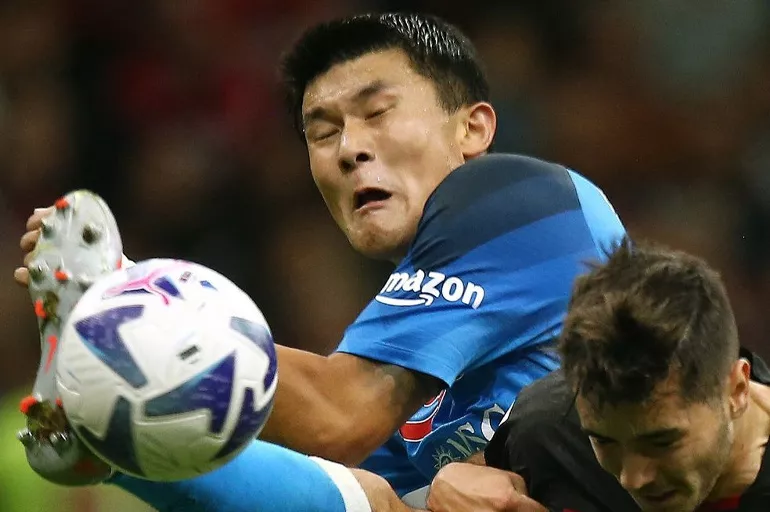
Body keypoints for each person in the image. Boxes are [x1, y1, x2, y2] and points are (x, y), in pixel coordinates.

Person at [13, 12, 626, 511]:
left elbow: (338, 416)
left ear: (473, 129)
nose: (350, 148)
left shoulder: (527, 201)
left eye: (377, 112)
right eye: (323, 132)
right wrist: (116, 440)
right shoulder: (422, 365)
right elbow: (341, 487)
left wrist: (126, 299)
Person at [427, 239, 770, 512]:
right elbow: (477, 485)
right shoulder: (549, 429)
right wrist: (449, 484)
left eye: (661, 442)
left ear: (736, 390)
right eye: (605, 442)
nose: (633, 478)